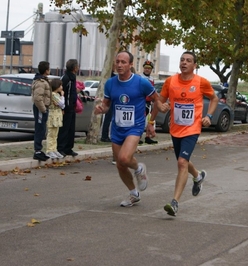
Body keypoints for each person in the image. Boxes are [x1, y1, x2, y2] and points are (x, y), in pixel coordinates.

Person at [148, 51, 219, 216]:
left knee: (181, 162)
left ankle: (175, 202)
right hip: (176, 128)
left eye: (188, 61)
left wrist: (208, 116)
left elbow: (214, 99)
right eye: (182, 60)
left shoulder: (201, 82)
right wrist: (152, 120)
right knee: (183, 161)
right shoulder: (170, 81)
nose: (184, 63)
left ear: (195, 66)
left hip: (193, 128)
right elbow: (160, 101)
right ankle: (198, 175)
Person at [94, 51, 166, 207]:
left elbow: (156, 98)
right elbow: (107, 105)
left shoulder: (141, 83)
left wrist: (153, 119)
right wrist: (102, 108)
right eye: (117, 62)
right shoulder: (111, 83)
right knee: (120, 164)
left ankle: (139, 168)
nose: (119, 65)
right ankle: (134, 193)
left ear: (131, 65)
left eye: (123, 62)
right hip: (117, 128)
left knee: (125, 158)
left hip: (135, 126)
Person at [57, 59, 79, 157]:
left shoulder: (73, 78)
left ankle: (68, 148)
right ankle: (61, 148)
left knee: (71, 129)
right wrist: (64, 107)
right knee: (64, 129)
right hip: (67, 108)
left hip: (72, 107)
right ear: (74, 68)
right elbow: (65, 94)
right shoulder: (67, 79)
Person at [31, 61, 52, 161]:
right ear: (46, 70)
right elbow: (37, 98)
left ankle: (39, 150)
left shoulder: (44, 80)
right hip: (40, 108)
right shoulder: (40, 82)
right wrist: (43, 110)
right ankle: (37, 151)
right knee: (40, 129)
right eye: (49, 68)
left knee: (42, 129)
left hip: (43, 108)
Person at [46, 79, 65, 159]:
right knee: (51, 134)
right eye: (60, 85)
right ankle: (49, 150)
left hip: (57, 116)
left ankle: (54, 149)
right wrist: (62, 96)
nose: (61, 87)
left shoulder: (57, 95)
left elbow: (63, 106)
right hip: (52, 116)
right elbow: (61, 104)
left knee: (55, 134)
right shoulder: (53, 95)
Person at [140, 60, 158, 145]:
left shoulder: (152, 79)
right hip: (142, 101)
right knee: (141, 120)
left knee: (149, 120)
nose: (147, 70)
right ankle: (138, 137)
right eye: (146, 68)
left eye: (149, 68)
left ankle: (147, 137)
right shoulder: (140, 77)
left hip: (149, 102)